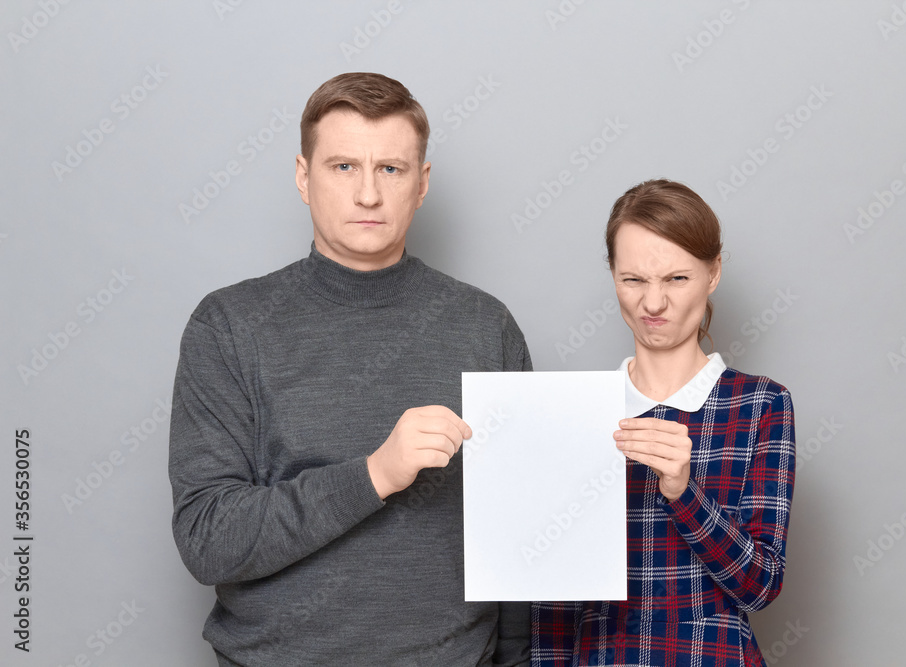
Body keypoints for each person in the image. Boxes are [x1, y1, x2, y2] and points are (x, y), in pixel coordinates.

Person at [168, 72, 532, 666]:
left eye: (391, 168)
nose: (368, 194)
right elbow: (209, 538)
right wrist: (374, 475)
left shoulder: (485, 327)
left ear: (422, 183)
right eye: (343, 167)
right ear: (303, 177)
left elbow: (519, 531)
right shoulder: (228, 326)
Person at [531, 179, 795, 666]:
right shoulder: (574, 412)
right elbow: (555, 603)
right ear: (612, 275)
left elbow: (760, 585)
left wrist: (684, 491)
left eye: (676, 279)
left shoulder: (761, 404)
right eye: (633, 280)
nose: (653, 304)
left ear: (713, 273)